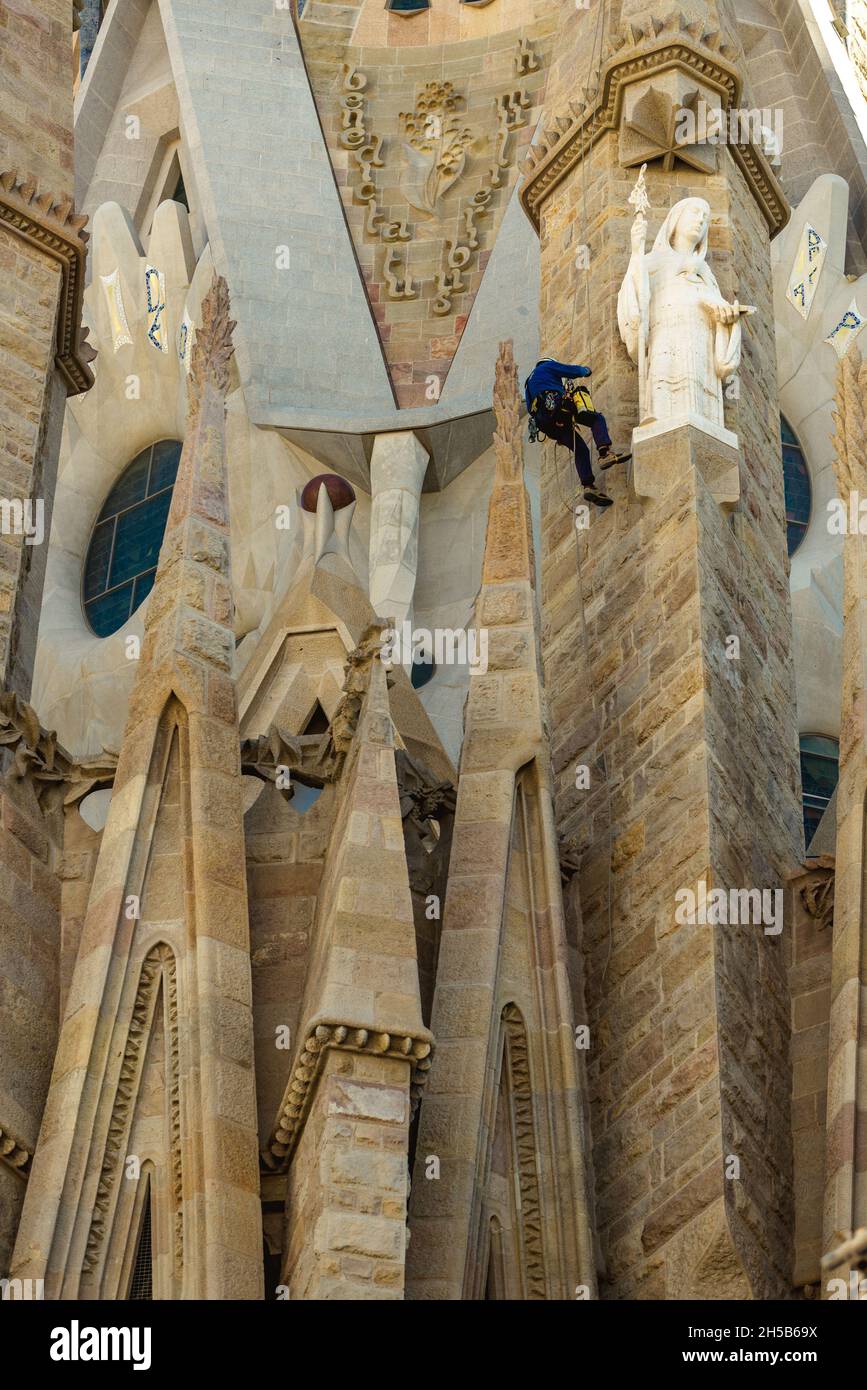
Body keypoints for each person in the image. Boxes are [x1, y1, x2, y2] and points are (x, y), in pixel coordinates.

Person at [525, 358, 631, 508]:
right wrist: (585, 371)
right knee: (595, 419)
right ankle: (604, 454)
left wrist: (557, 433)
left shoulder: (528, 384)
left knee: (580, 449)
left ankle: (588, 486)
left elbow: (531, 410)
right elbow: (570, 370)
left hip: (546, 424)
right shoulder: (547, 367)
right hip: (557, 407)